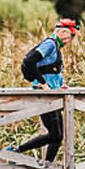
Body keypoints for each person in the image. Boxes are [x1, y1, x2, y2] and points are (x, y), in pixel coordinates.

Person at [7, 18, 80, 161]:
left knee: (58, 136)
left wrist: (60, 85)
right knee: (55, 135)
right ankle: (16, 151)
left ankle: (47, 167)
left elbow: (51, 70)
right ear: (63, 33)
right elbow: (29, 61)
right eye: (72, 35)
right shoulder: (49, 45)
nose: (72, 39)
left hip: (52, 95)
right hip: (45, 96)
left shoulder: (56, 47)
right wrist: (43, 83)